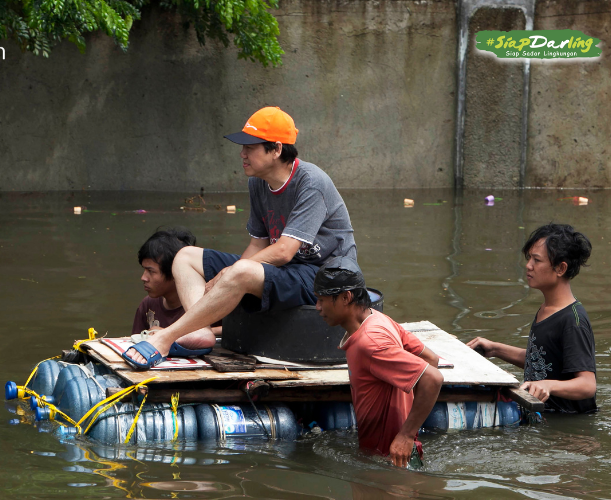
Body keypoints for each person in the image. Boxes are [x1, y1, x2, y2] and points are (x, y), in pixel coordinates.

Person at [123, 106, 357, 369]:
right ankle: (201, 329)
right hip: (285, 271)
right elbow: (258, 242)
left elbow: (283, 252)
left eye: (250, 147)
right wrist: (230, 275)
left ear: (276, 150)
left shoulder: (311, 182)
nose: (242, 154)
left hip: (323, 276)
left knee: (241, 271)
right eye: (242, 147)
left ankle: (167, 337)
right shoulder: (257, 182)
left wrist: (231, 272)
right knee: (185, 257)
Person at [313, 257, 442, 468]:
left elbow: (432, 377)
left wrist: (406, 435)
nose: (317, 307)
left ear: (345, 297)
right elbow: (431, 359)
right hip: (399, 458)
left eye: (322, 300)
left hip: (387, 462)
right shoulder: (379, 319)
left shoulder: (370, 343)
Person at [467, 223, 597, 413]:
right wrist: (495, 349)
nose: (528, 266)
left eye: (536, 260)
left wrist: (549, 386)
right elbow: (541, 361)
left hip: (567, 427)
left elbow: (587, 385)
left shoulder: (573, 321)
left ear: (560, 268)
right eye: (529, 259)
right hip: (542, 415)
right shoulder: (546, 309)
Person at [131, 227, 215, 356]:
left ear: (175, 272)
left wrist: (169, 333)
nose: (143, 278)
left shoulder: (210, 301)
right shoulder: (148, 305)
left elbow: (230, 333)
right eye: (144, 270)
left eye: (151, 271)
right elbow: (134, 341)